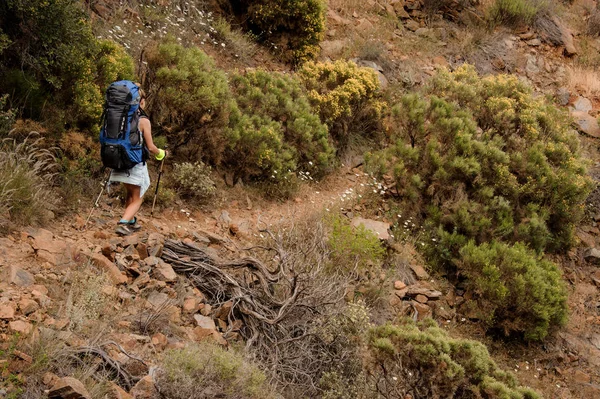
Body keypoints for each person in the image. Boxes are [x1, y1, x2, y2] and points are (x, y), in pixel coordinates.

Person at [109, 86, 166, 236]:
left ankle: (131, 221)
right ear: (140, 102)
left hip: (119, 162)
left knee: (130, 194)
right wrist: (163, 153)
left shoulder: (120, 117)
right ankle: (123, 223)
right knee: (138, 198)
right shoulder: (143, 120)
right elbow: (151, 147)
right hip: (134, 163)